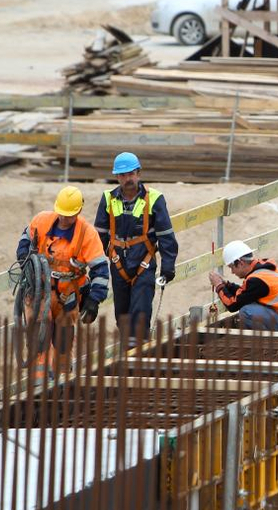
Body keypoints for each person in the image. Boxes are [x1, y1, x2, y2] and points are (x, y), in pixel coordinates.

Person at [16, 186, 108, 381]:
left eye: (69, 216)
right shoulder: (42, 221)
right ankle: (39, 380)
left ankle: (62, 381)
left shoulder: (87, 235)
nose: (65, 219)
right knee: (39, 333)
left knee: (63, 341)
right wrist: (24, 254)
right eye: (62, 214)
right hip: (39, 290)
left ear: (78, 212)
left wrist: (94, 300)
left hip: (68, 295)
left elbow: (100, 269)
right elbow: (25, 237)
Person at [94, 152, 178, 344]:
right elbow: (99, 236)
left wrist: (168, 265)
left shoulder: (154, 199)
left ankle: (138, 359)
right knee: (122, 316)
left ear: (138, 173)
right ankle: (127, 355)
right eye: (122, 175)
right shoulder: (108, 199)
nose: (127, 179)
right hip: (118, 265)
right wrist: (95, 267)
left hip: (144, 263)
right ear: (117, 177)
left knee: (140, 314)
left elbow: (166, 235)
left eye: (131, 174)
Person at [208, 240, 278, 331]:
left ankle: (269, 345)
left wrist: (219, 286)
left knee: (246, 312)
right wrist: (227, 285)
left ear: (240, 263)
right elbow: (245, 294)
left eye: (232, 267)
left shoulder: (256, 280)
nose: (232, 272)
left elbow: (232, 305)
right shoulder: (262, 270)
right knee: (251, 305)